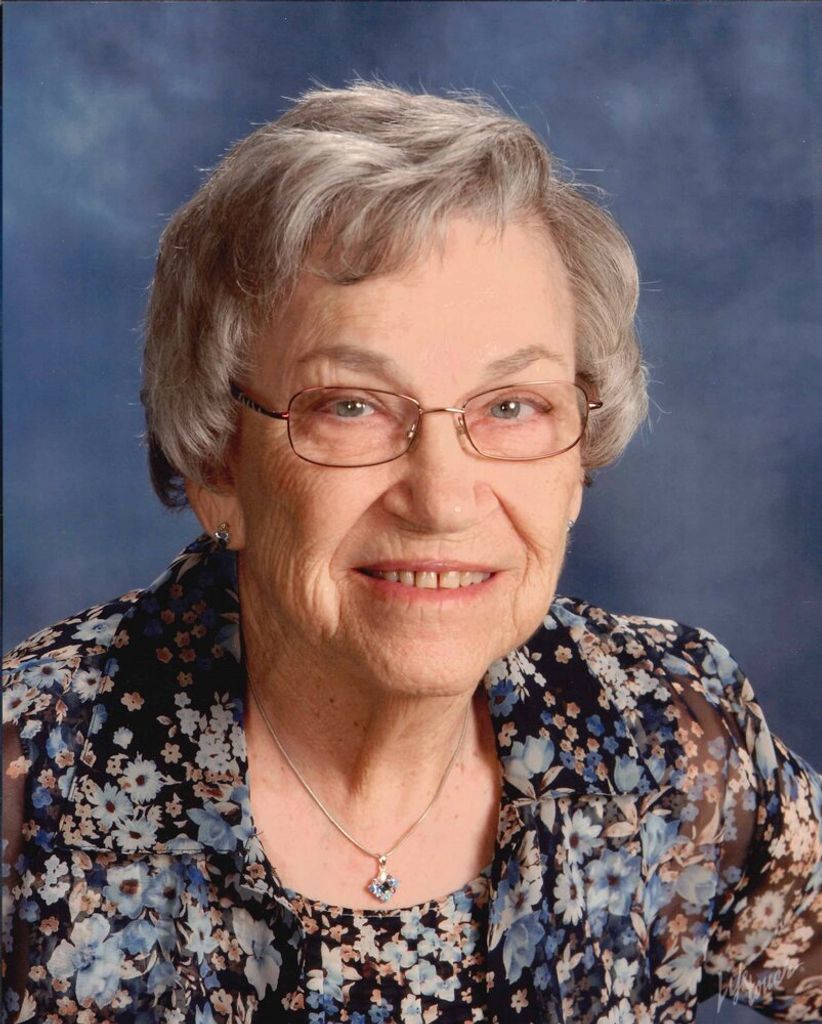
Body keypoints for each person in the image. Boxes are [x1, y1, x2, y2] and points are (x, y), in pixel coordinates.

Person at [3, 81, 821, 1024]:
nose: (440, 499)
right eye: (350, 406)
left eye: (512, 406)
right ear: (219, 465)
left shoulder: (669, 732)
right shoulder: (30, 785)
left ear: (579, 454)